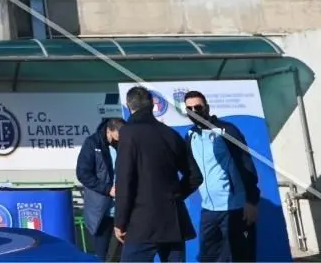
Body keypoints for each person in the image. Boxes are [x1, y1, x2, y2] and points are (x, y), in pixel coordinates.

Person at [113, 86, 203, 262]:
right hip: (173, 223)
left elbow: (125, 180)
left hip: (141, 224)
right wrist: (175, 196)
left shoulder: (129, 133)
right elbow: (195, 176)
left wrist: (120, 222)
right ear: (152, 105)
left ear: (129, 106)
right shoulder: (170, 134)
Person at [183, 90, 260, 262]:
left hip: (234, 208)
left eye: (198, 107)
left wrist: (251, 200)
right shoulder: (190, 136)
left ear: (207, 107)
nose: (195, 112)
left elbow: (246, 165)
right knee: (209, 257)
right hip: (209, 211)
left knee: (241, 256)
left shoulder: (227, 131)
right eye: (190, 109)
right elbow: (193, 174)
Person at [76, 117, 125, 261]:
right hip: (100, 211)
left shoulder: (125, 144)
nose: (121, 139)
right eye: (118, 136)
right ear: (109, 131)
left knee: (120, 255)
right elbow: (83, 174)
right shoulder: (92, 143)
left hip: (122, 210)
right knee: (101, 254)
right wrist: (107, 189)